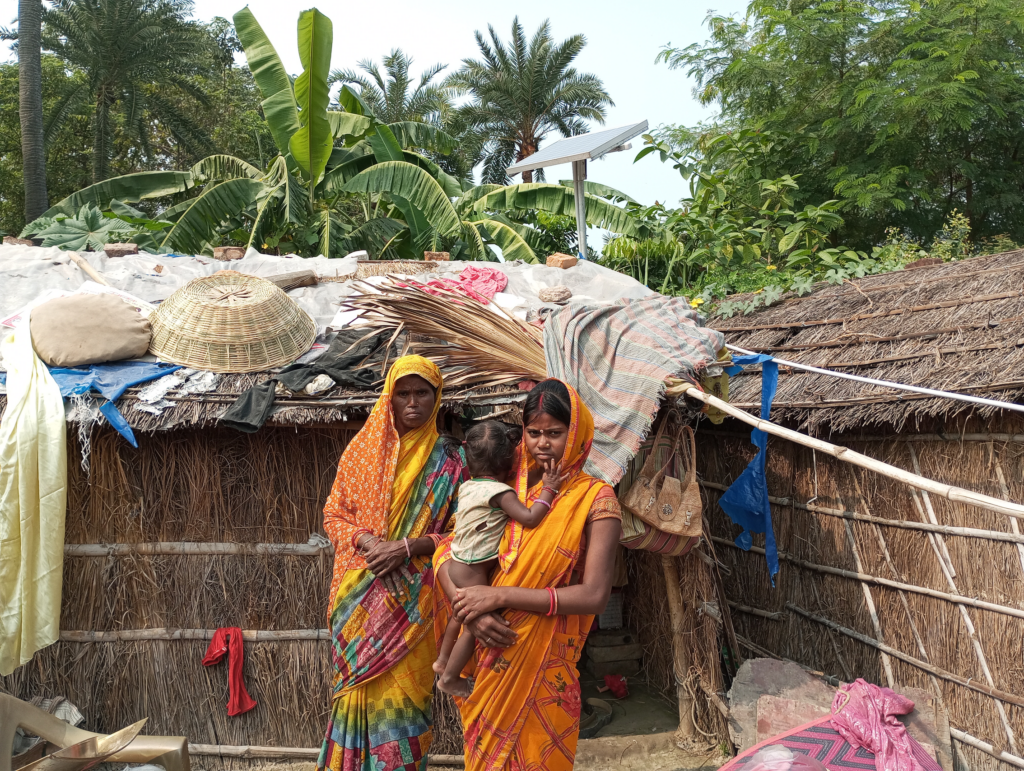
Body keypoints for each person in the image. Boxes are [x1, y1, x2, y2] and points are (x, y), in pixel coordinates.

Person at [434, 379, 622, 771]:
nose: (542, 443)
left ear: (578, 434)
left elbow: (594, 597)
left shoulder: (595, 498)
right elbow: (449, 549)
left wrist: (500, 597)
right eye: (534, 432)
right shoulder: (501, 481)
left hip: (544, 666)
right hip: (488, 656)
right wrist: (470, 606)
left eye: (555, 433)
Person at [317, 356, 465, 771]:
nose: (413, 402)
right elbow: (334, 515)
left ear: (437, 399)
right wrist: (367, 541)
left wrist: (407, 547)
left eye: (423, 393)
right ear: (390, 397)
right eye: (404, 393)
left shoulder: (452, 460)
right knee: (352, 700)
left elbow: (465, 531)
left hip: (413, 606)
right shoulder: (363, 451)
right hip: (358, 602)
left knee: (407, 704)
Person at [433, 421, 568, 697]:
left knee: (459, 615)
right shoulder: (501, 493)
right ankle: (448, 679)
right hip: (473, 570)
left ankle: (442, 660)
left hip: (458, 562)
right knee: (473, 626)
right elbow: (530, 519)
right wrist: (549, 488)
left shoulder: (468, 486)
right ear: (509, 466)